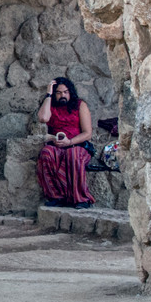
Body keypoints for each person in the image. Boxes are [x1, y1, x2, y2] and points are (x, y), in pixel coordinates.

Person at [35, 77, 96, 208]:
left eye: (66, 92)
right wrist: (48, 94)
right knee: (46, 153)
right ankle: (56, 197)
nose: (63, 95)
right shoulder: (51, 105)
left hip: (77, 145)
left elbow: (87, 133)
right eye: (59, 92)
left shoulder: (80, 105)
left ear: (70, 93)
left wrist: (70, 142)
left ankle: (80, 199)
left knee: (73, 154)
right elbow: (43, 118)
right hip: (57, 145)